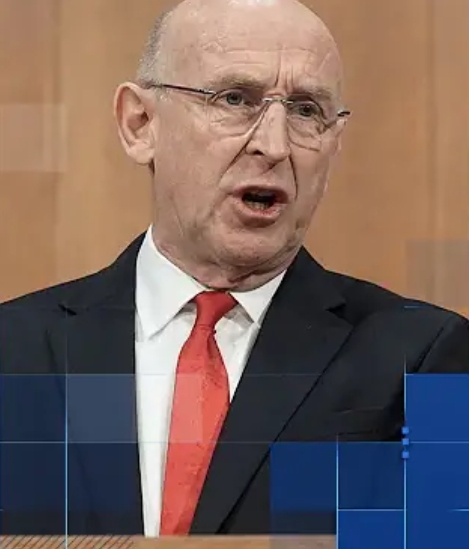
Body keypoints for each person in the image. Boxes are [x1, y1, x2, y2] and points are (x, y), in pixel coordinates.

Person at [0, 0, 468, 537]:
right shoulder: (13, 352)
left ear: (334, 143)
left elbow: (444, 536)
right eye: (235, 99)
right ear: (140, 124)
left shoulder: (426, 360)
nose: (274, 145)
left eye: (307, 110)